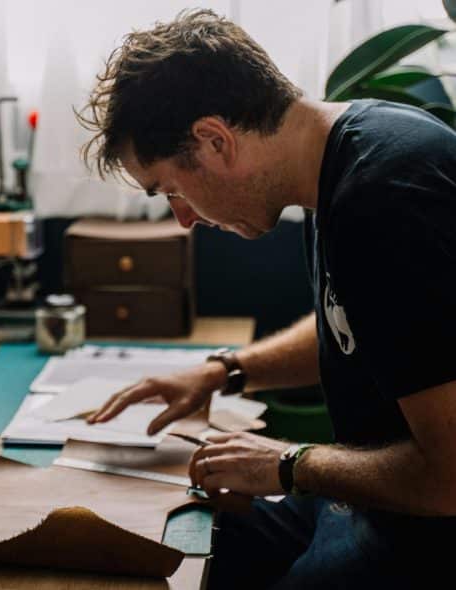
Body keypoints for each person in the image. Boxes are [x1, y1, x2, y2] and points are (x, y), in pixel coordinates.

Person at [77, 9, 456, 589]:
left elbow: (450, 474)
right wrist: (223, 371)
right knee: (198, 529)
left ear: (213, 140)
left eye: (172, 190)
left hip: (427, 526)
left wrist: (287, 463)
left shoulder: (385, 198)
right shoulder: (338, 159)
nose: (182, 220)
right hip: (386, 505)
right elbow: (361, 325)